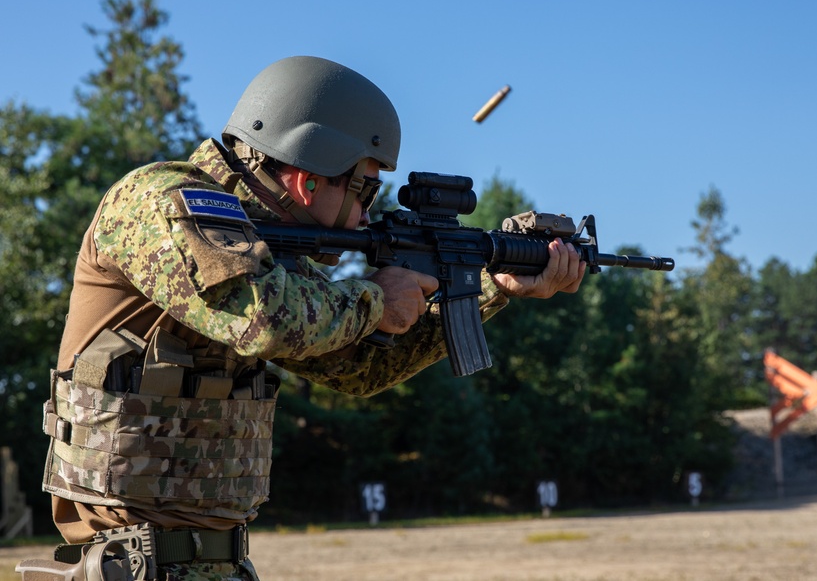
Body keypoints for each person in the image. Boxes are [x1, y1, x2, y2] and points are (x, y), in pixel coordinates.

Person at [26, 56, 584, 581]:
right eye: (365, 187)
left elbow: (360, 368)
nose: (368, 211)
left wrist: (491, 287)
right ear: (309, 176)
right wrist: (373, 300)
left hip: (214, 563)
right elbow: (261, 316)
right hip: (134, 564)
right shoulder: (162, 200)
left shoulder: (270, 255)